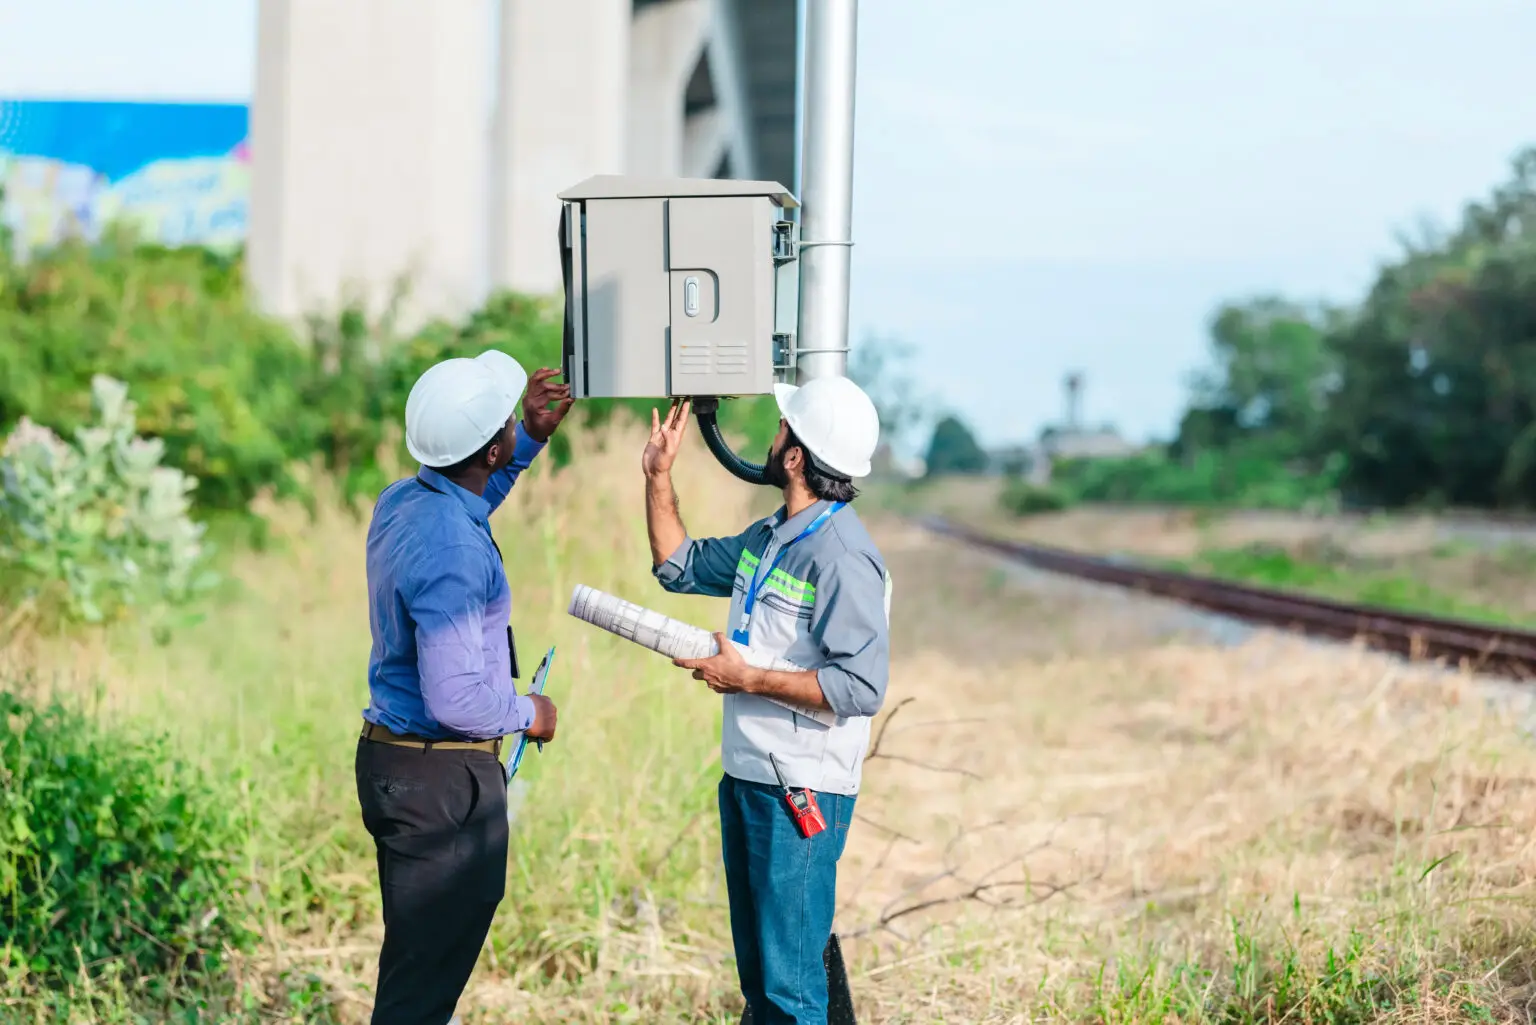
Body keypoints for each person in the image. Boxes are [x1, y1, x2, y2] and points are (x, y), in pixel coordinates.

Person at [641, 376, 891, 1024]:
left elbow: (860, 687)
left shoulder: (843, 556)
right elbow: (677, 563)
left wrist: (747, 677)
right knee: (761, 983)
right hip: (749, 776)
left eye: (782, 428)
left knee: (791, 990)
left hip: (800, 792)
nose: (771, 437)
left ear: (796, 456)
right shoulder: (772, 535)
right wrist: (658, 476)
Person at [355, 350, 574, 1025]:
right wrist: (529, 712)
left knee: (420, 973)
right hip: (440, 787)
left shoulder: (409, 500)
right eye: (509, 419)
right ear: (488, 448)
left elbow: (474, 497)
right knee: (417, 1001)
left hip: (399, 766)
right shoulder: (452, 548)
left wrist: (531, 436)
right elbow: (456, 700)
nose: (515, 421)